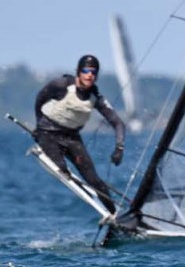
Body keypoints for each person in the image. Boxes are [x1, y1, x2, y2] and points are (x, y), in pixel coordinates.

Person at [34, 54, 126, 214]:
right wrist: (37, 126)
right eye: (86, 70)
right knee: (61, 168)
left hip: (71, 138)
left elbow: (118, 123)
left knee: (94, 180)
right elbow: (40, 99)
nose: (90, 75)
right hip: (48, 133)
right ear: (78, 72)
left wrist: (119, 147)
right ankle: (48, 155)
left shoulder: (96, 98)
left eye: (93, 72)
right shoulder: (61, 84)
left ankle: (114, 214)